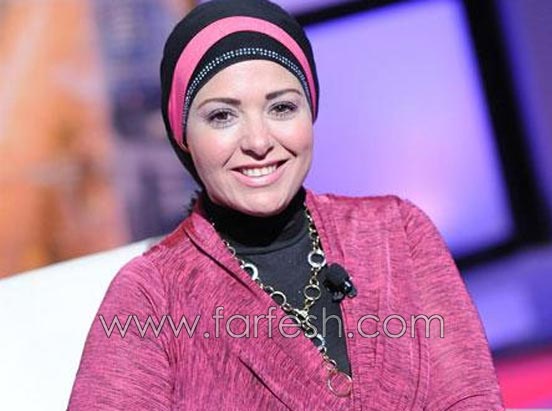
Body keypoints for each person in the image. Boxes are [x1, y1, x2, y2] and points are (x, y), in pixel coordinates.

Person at [68, 0, 505, 409]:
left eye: (281, 108)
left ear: (310, 113)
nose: (259, 142)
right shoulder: (150, 296)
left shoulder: (399, 233)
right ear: (183, 134)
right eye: (222, 115)